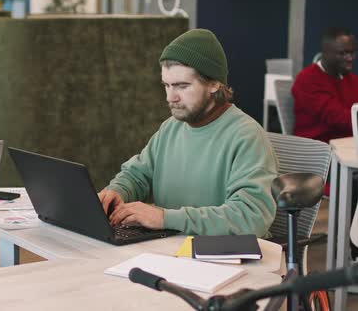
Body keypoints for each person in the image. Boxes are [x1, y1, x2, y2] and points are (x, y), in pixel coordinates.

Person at [98, 29, 278, 237]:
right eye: (166, 85)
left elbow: (251, 217)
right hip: (171, 248)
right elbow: (138, 174)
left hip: (221, 259)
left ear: (213, 84)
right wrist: (117, 191)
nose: (170, 97)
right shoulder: (171, 127)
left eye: (181, 86)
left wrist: (165, 218)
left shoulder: (247, 137)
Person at [292, 27, 358, 144]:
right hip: (317, 150)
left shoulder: (351, 79)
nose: (350, 58)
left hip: (346, 146)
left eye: (352, 52)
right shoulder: (308, 79)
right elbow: (338, 118)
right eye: (343, 53)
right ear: (325, 53)